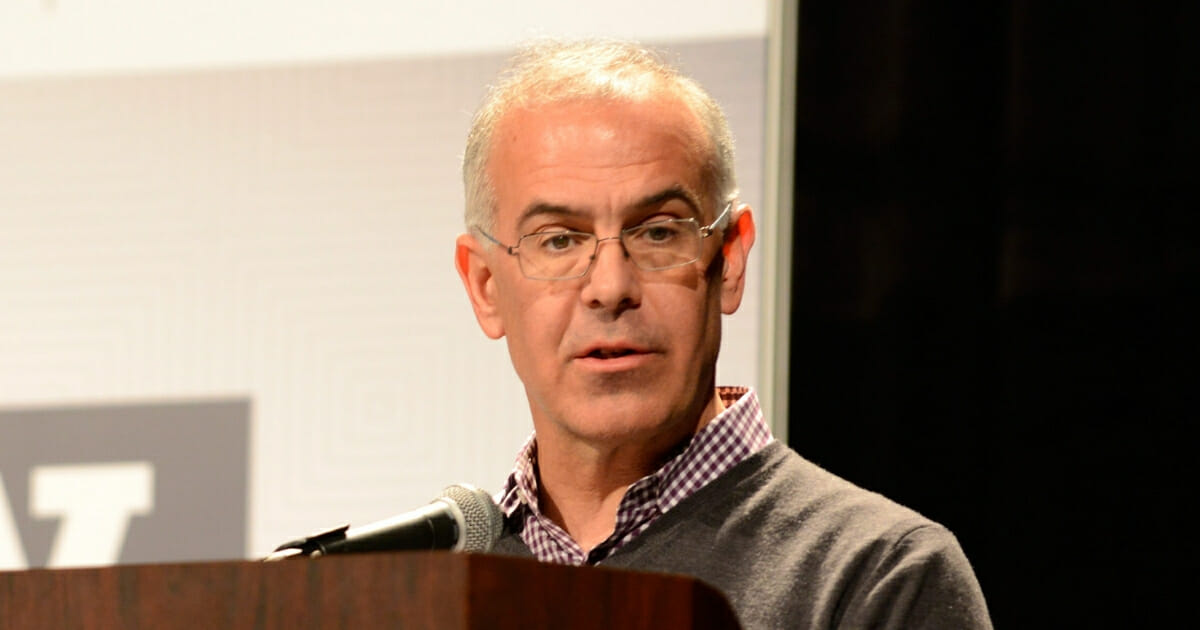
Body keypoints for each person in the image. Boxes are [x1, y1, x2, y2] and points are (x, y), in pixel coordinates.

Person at [454, 39, 991, 630]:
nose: (609, 286)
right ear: (485, 285)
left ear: (730, 261)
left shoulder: (876, 577)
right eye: (559, 240)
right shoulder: (422, 595)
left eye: (658, 233)